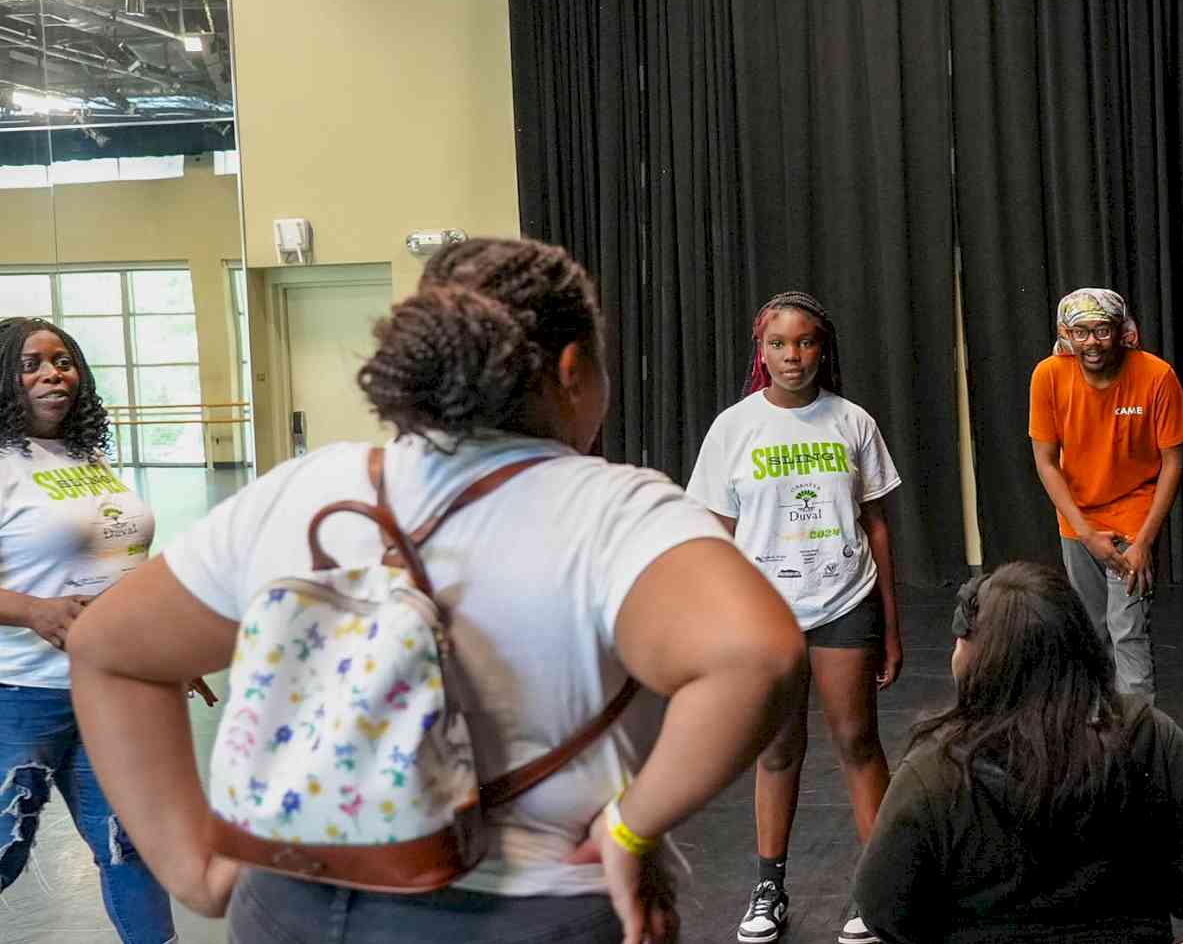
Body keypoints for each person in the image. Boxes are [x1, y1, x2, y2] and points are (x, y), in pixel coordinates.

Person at [64, 238, 807, 944]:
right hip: (532, 913)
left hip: (292, 905)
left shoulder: (307, 487)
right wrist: (629, 827)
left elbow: (108, 647)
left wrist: (191, 869)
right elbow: (758, 658)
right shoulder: (614, 510)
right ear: (574, 369)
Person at [853, 561, 1183, 944]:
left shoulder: (938, 766)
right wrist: (1153, 904)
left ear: (980, 662)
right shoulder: (1141, 732)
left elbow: (881, 905)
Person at [685, 291, 903, 944]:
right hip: (766, 615)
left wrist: (890, 626)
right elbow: (715, 537)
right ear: (761, 351)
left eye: (805, 342)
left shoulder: (853, 422)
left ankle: (879, 888)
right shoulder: (734, 429)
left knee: (857, 742)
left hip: (845, 600)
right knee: (778, 751)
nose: (792, 355)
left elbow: (877, 528)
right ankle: (768, 888)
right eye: (778, 344)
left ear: (822, 350)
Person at [0, 315, 175, 943]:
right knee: (5, 849)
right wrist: (32, 611)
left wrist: (166, 644)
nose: (53, 374)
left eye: (63, 360)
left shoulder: (86, 457)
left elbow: (121, 563)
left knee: (129, 842)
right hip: (22, 692)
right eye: (32, 364)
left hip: (114, 688)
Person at [1028, 287, 1183, 701]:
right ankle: (1096, 732)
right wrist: (1085, 532)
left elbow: (1173, 461)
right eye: (1081, 333)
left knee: (1129, 631)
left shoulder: (1156, 375)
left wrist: (1144, 541)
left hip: (1133, 519)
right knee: (1089, 631)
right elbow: (1047, 461)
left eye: (1102, 331)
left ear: (1123, 331)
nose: (1092, 343)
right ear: (1066, 335)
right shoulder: (1048, 375)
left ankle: (1138, 741)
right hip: (1078, 520)